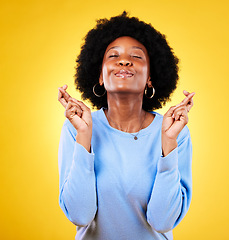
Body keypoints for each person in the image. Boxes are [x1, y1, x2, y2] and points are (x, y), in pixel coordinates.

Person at [58, 11, 195, 240]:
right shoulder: (77, 127)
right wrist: (84, 136)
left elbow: (162, 222)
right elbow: (80, 215)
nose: (124, 60)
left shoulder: (174, 132)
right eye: (113, 56)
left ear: (150, 77)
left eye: (137, 56)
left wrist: (168, 144)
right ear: (100, 75)